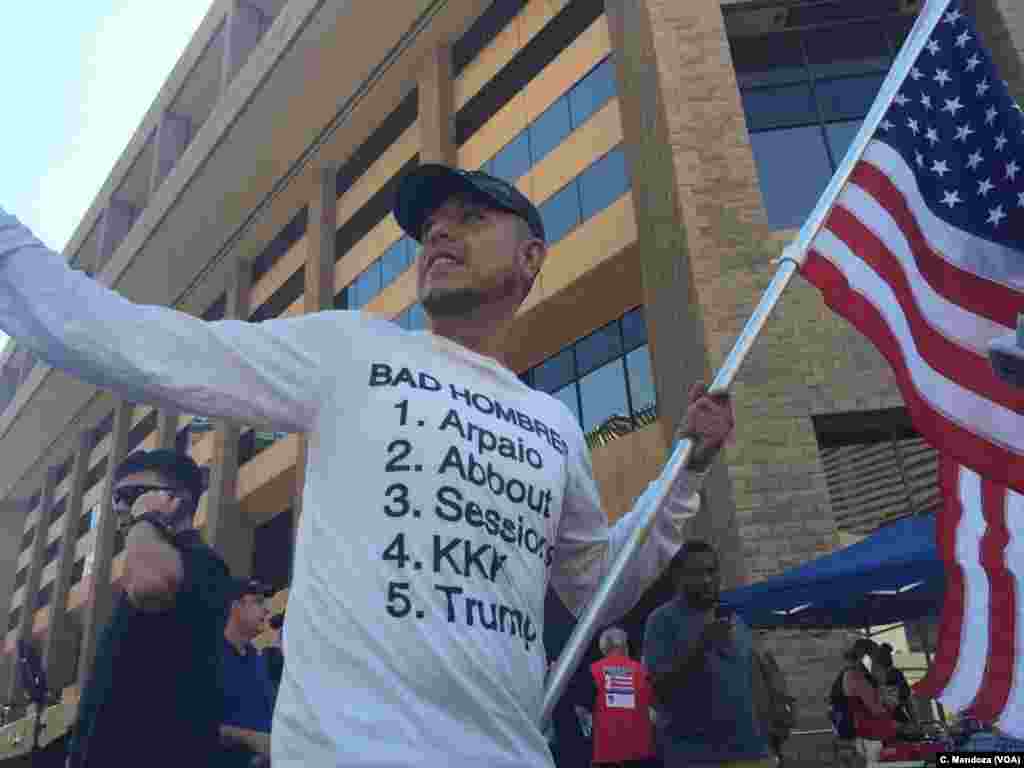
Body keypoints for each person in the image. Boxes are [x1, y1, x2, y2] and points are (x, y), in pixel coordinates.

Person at [0, 165, 735, 767]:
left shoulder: (555, 425)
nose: (439, 232)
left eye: (471, 219)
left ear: (531, 257)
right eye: (431, 226)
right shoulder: (350, 352)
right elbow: (141, 344)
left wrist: (688, 470)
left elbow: (598, 587)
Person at [65, 450, 234, 768]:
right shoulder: (151, 556)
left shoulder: (205, 564)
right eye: (116, 497)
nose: (119, 507)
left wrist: (145, 521)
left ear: (177, 499)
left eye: (131, 495)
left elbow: (151, 586)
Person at [642, 540, 776, 768]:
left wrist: (771, 726)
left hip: (752, 752)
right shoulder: (661, 620)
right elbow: (660, 690)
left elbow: (751, 677)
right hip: (696, 755)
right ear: (677, 577)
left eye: (711, 571)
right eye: (695, 573)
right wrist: (702, 646)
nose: (706, 580)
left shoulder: (733, 617)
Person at [219, 579, 276, 768]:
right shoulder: (208, 657)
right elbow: (195, 726)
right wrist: (252, 739)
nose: (267, 610)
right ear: (235, 607)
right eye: (259, 602)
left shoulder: (257, 658)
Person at [589, 627, 657, 768]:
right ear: (624, 647)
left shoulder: (593, 672)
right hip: (639, 753)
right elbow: (653, 706)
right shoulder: (640, 671)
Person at [870, 643, 914, 726]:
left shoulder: (877, 675)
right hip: (892, 716)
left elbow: (905, 699)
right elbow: (906, 700)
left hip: (886, 717)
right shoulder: (893, 673)